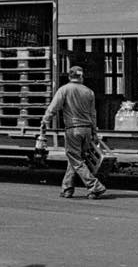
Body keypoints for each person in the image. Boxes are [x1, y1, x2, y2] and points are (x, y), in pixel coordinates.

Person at [41, 66, 107, 199]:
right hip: (87, 129)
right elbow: (93, 114)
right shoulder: (89, 92)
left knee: (75, 159)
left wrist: (45, 120)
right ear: (81, 77)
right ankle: (67, 188)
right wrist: (94, 131)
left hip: (73, 129)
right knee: (75, 158)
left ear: (69, 76)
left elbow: (54, 107)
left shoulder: (64, 89)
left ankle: (95, 186)